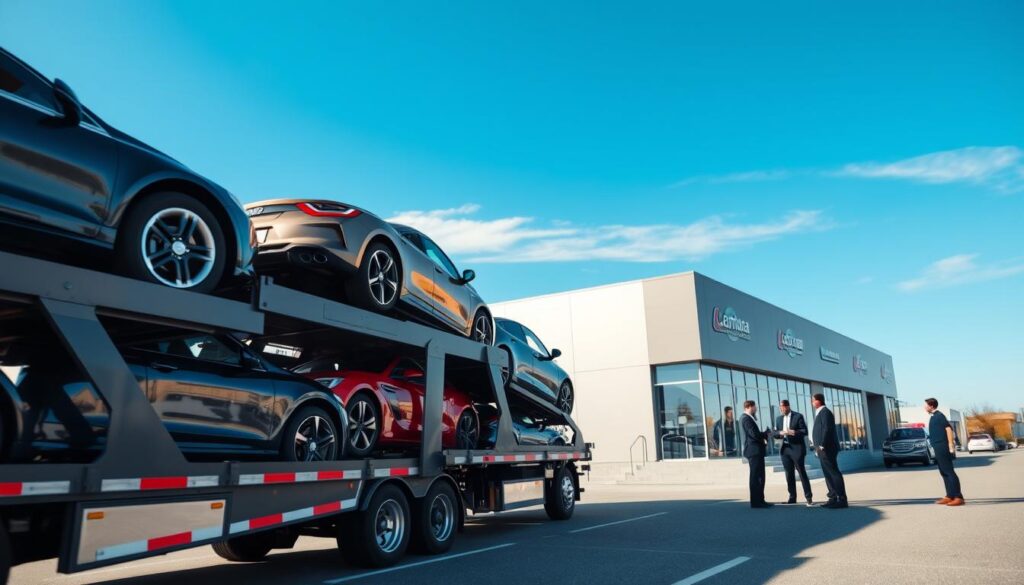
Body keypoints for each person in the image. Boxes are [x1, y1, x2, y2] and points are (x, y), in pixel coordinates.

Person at [810, 393, 847, 509]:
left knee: (833, 472)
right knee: (827, 474)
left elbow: (827, 429)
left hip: (827, 448)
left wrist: (821, 444)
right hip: (821, 449)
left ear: (818, 401)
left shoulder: (825, 412)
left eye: (813, 400)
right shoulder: (820, 412)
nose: (812, 402)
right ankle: (832, 497)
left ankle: (842, 499)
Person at [925, 398, 964, 506]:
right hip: (937, 447)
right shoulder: (933, 417)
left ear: (931, 406)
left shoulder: (939, 416)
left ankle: (958, 497)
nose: (924, 407)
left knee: (949, 471)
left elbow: (948, 429)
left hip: (942, 446)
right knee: (943, 472)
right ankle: (949, 495)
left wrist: (951, 445)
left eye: (926, 405)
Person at [774, 399, 813, 506]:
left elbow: (804, 431)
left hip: (797, 449)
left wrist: (793, 432)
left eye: (783, 407)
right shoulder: (778, 419)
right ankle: (792, 497)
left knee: (801, 472)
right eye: (780, 407)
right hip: (785, 449)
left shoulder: (798, 416)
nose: (781, 409)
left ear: (788, 406)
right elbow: (775, 433)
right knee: (788, 474)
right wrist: (780, 433)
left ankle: (808, 497)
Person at [741, 400, 772, 508]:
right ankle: (756, 502)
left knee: (759, 477)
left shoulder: (749, 418)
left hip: (756, 451)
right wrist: (765, 434)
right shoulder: (746, 419)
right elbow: (753, 434)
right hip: (753, 451)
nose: (756, 409)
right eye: (755, 407)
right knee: (756, 477)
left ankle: (760, 500)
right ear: (749, 407)